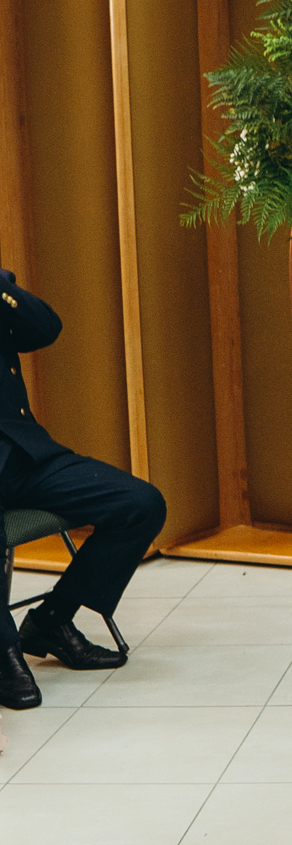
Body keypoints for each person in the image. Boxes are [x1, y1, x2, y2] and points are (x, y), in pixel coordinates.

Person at [0, 270, 166, 711]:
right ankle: (3, 654)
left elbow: (45, 328)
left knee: (141, 504)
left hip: (25, 454)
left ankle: (53, 620)